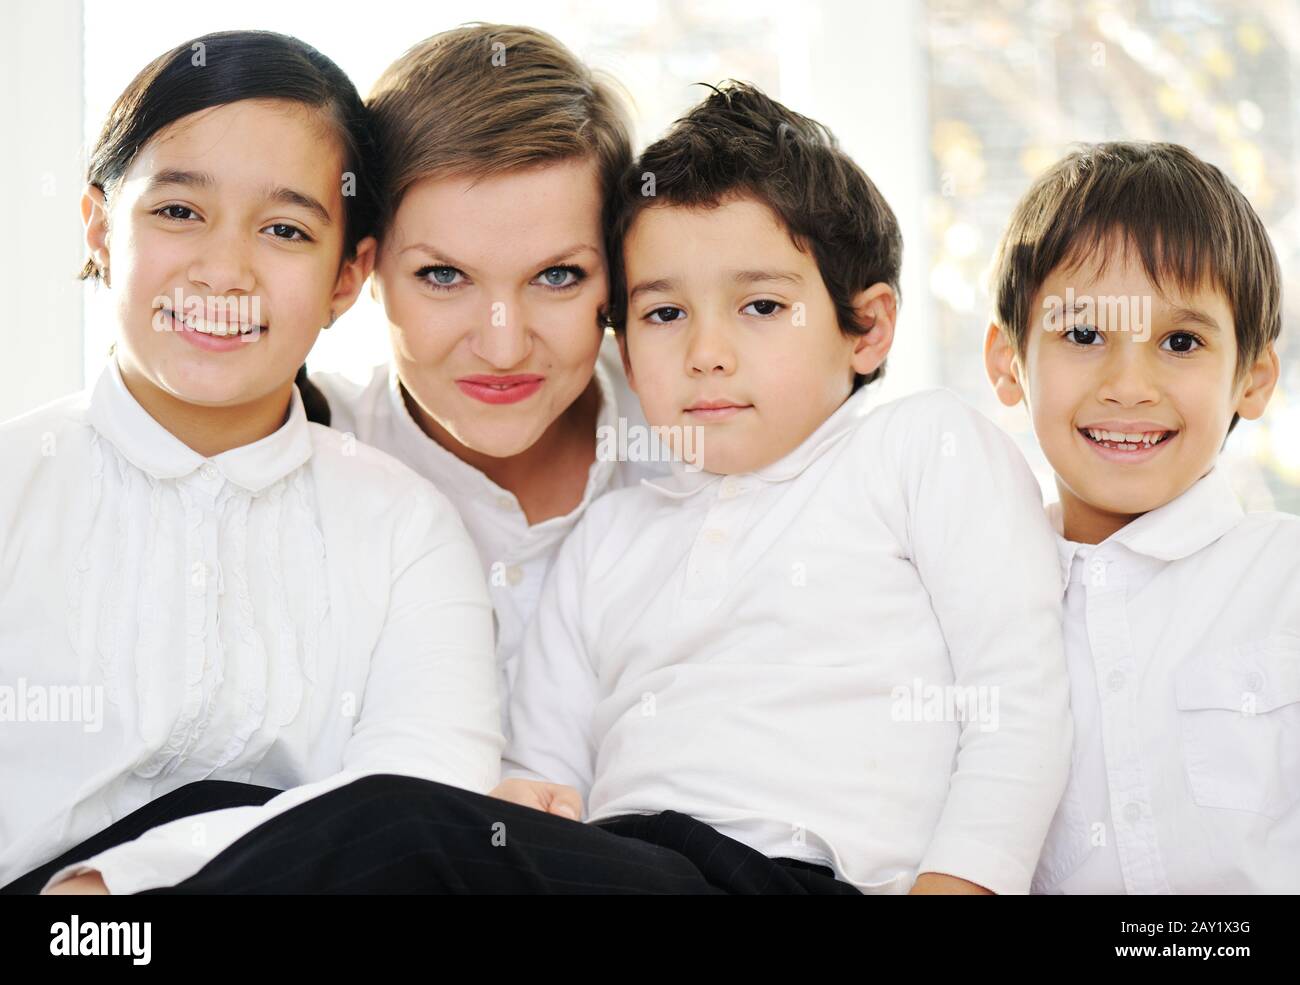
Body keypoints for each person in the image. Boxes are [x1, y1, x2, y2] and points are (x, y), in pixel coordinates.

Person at [142, 82, 1071, 896]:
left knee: (400, 827)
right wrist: (522, 799)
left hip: (814, 870)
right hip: (635, 862)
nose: (708, 350)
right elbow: (540, 765)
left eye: (760, 306)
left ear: (867, 328)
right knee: (250, 809)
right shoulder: (617, 532)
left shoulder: (921, 451)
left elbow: (1019, 696)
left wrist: (962, 883)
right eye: (665, 312)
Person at [0, 30, 500, 896]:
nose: (224, 269)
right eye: (179, 211)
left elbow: (417, 812)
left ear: (349, 276)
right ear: (99, 226)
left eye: (283, 228)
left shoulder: (406, 529)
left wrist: (112, 885)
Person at [310, 25, 664, 729]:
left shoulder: (701, 442)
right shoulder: (312, 461)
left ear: (618, 273)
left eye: (557, 276)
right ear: (365, 269)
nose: (503, 347)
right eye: (443, 276)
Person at [982, 141, 1299, 893]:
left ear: (1252, 378)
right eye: (1084, 335)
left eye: (1180, 341)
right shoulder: (975, 609)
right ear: (1008, 362)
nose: (1130, 385)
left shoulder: (1287, 580)